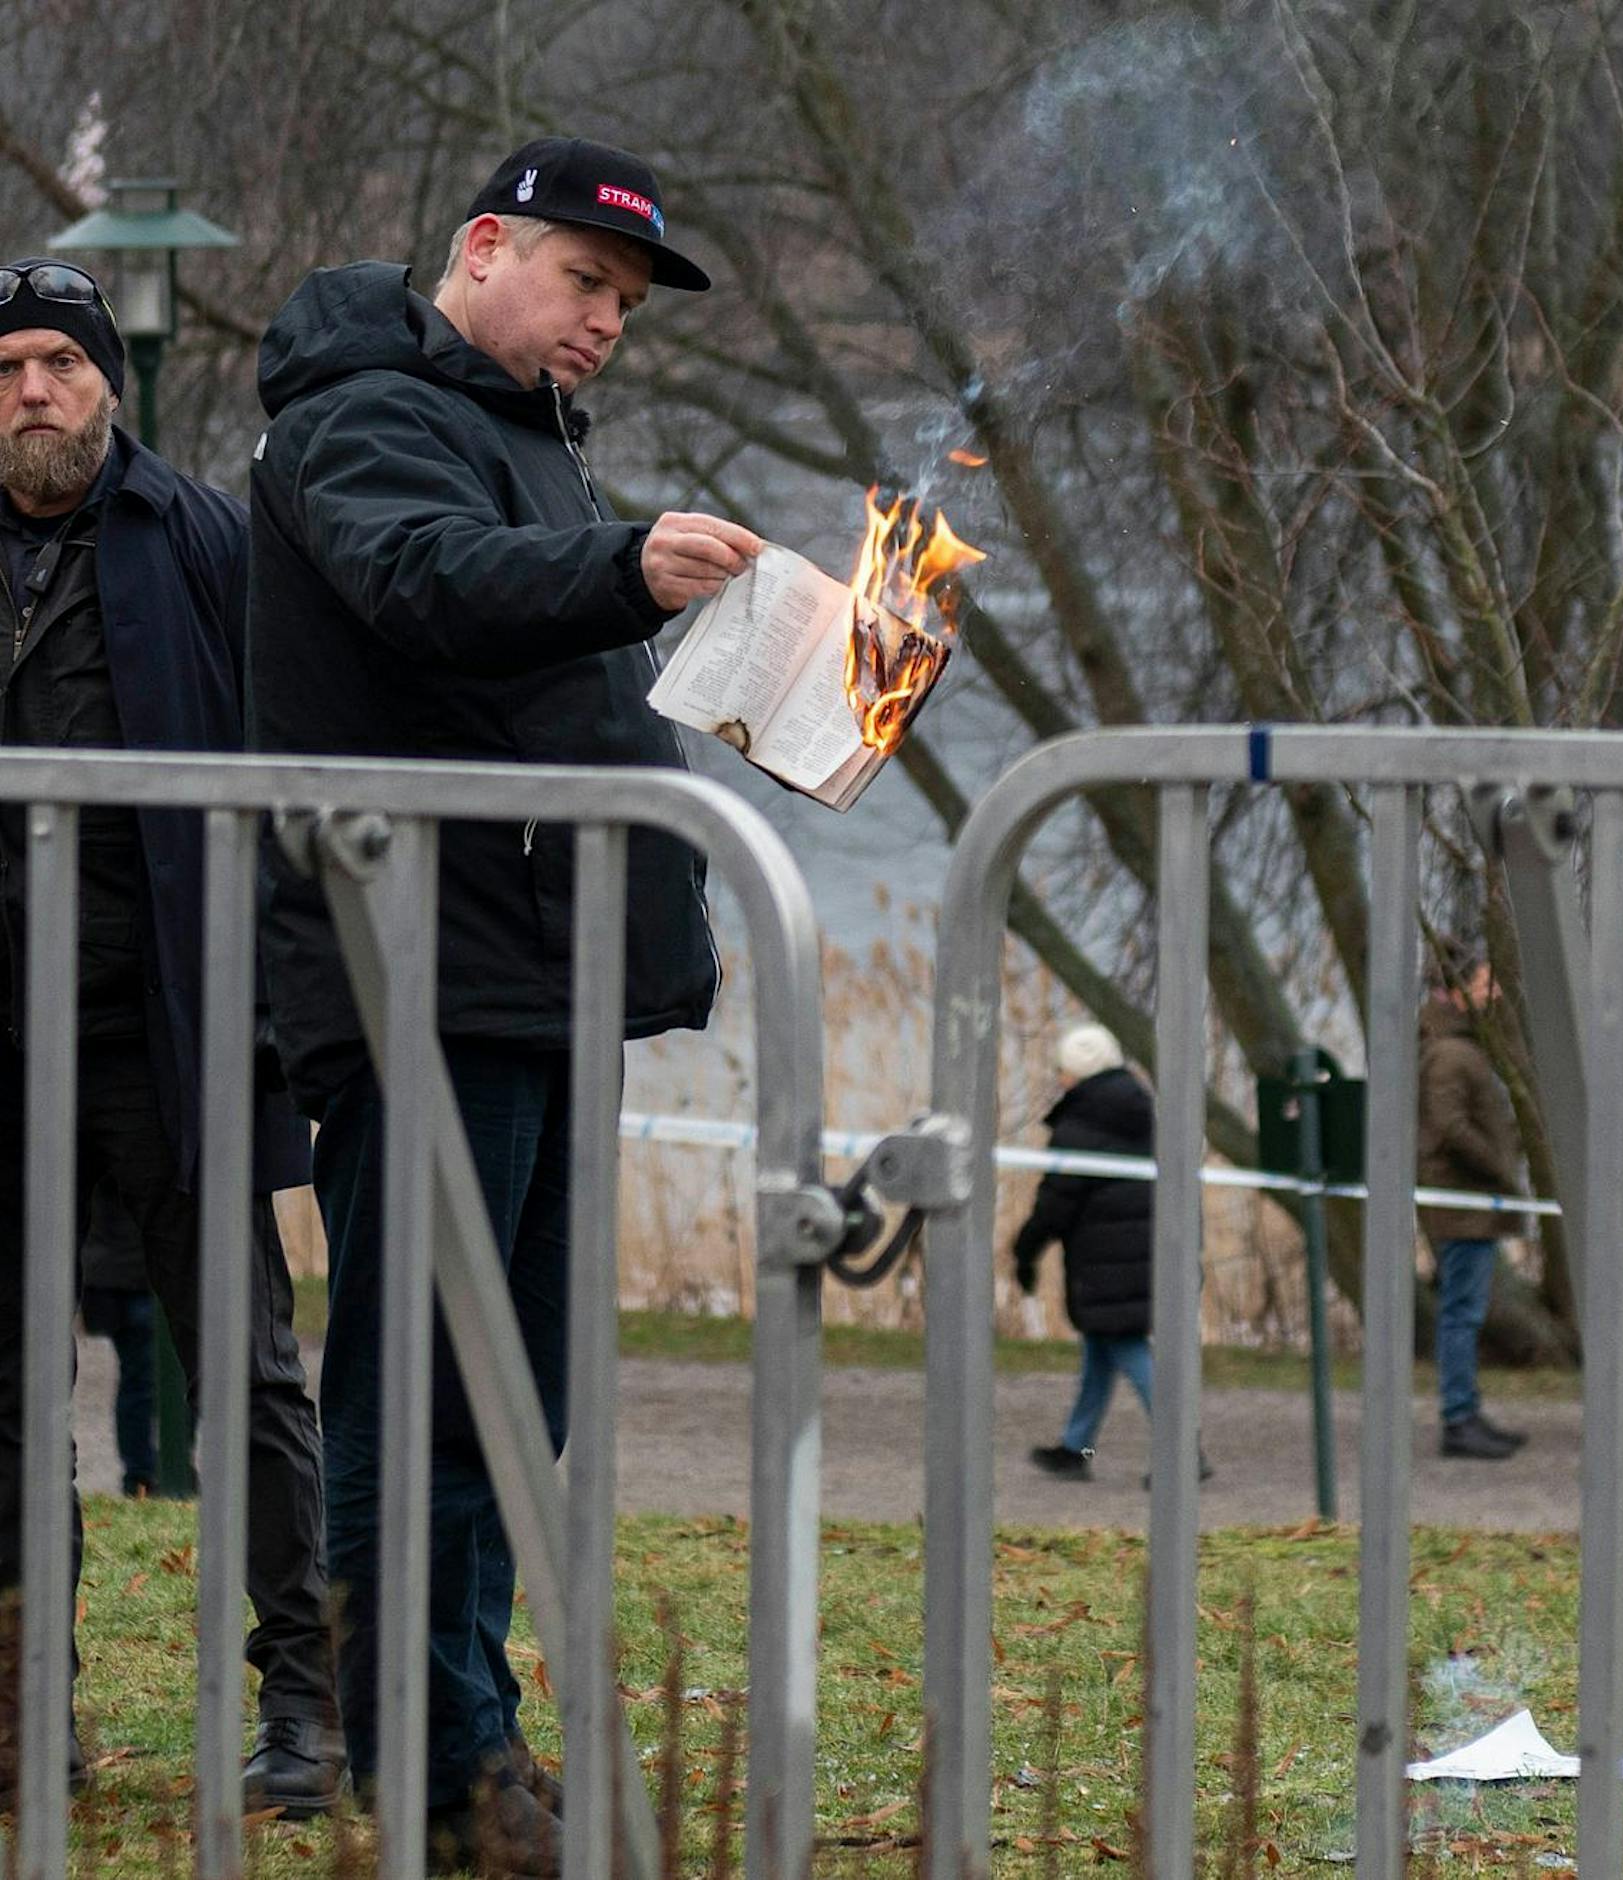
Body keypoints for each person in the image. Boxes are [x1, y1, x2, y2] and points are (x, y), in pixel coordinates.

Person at [246, 138, 756, 1873]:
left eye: (624, 303)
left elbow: (552, 696)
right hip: (420, 977)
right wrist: (625, 572)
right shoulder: (362, 419)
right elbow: (426, 588)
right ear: (481, 252)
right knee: (424, 1377)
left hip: (536, 974)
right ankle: (435, 1760)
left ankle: (470, 1729)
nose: (606, 324)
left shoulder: (527, 448)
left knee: (511, 1382)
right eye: (585, 284)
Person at [0, 260, 342, 1813]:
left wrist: (281, 996)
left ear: (107, 385)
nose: (31, 395)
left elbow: (296, 749)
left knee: (248, 1379)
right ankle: (24, 1716)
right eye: (4, 371)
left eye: (57, 368)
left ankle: (310, 1713)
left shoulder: (203, 537)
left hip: (174, 1030)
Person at [1013, 1024, 1212, 1485]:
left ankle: (1183, 1449)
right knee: (1100, 1353)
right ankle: (1075, 1447)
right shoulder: (1144, 1112)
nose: (1059, 1079)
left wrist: (1025, 1250)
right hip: (1145, 1251)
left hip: (1105, 1259)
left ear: (1077, 1074)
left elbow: (1055, 1201)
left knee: (1125, 1347)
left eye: (1063, 1071)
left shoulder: (1080, 1124)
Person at [1416, 951, 1529, 1460]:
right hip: (1461, 1201)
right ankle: (1459, 1418)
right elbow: (1449, 1125)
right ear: (1459, 990)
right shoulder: (1448, 1053)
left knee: (1464, 1309)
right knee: (1462, 1313)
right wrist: (1499, 1168)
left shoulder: (1457, 1046)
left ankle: (1467, 1411)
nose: (1495, 994)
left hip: (1468, 1199)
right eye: (1486, 983)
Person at [77, 1178, 188, 1498]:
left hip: (109, 1275)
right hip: (133, 1279)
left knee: (139, 1380)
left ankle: (146, 1472)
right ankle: (153, 1471)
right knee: (155, 1379)